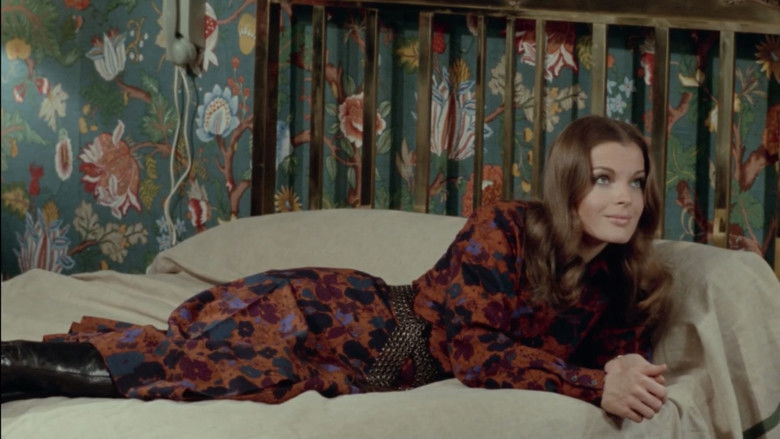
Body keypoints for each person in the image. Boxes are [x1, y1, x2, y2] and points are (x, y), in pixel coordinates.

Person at [1, 115, 671, 423]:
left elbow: (622, 370)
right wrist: (590, 383)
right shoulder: (505, 228)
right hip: (341, 315)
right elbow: (473, 351)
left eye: (636, 182)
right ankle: (11, 364)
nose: (624, 197)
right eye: (604, 178)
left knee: (203, 368)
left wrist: (615, 375)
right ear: (567, 181)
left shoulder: (619, 281)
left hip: (355, 365)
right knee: (210, 366)